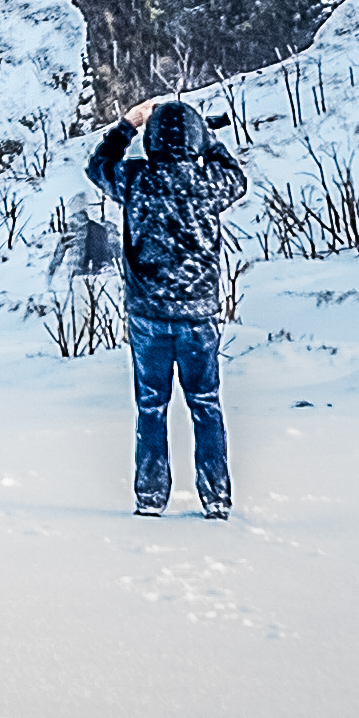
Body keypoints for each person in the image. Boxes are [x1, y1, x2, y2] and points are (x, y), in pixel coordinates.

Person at [89, 97, 245, 518]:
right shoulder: (209, 182)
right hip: (199, 316)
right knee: (206, 404)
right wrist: (208, 137)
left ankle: (151, 497)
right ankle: (216, 499)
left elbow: (98, 165)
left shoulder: (136, 179)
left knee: (151, 407)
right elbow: (236, 177)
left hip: (148, 315)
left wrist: (127, 125)